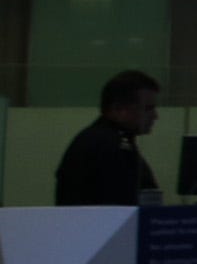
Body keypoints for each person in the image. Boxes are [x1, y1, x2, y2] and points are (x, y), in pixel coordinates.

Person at [56, 68, 163, 207]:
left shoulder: (101, 140)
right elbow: (123, 201)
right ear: (118, 109)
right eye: (148, 108)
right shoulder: (109, 146)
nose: (155, 116)